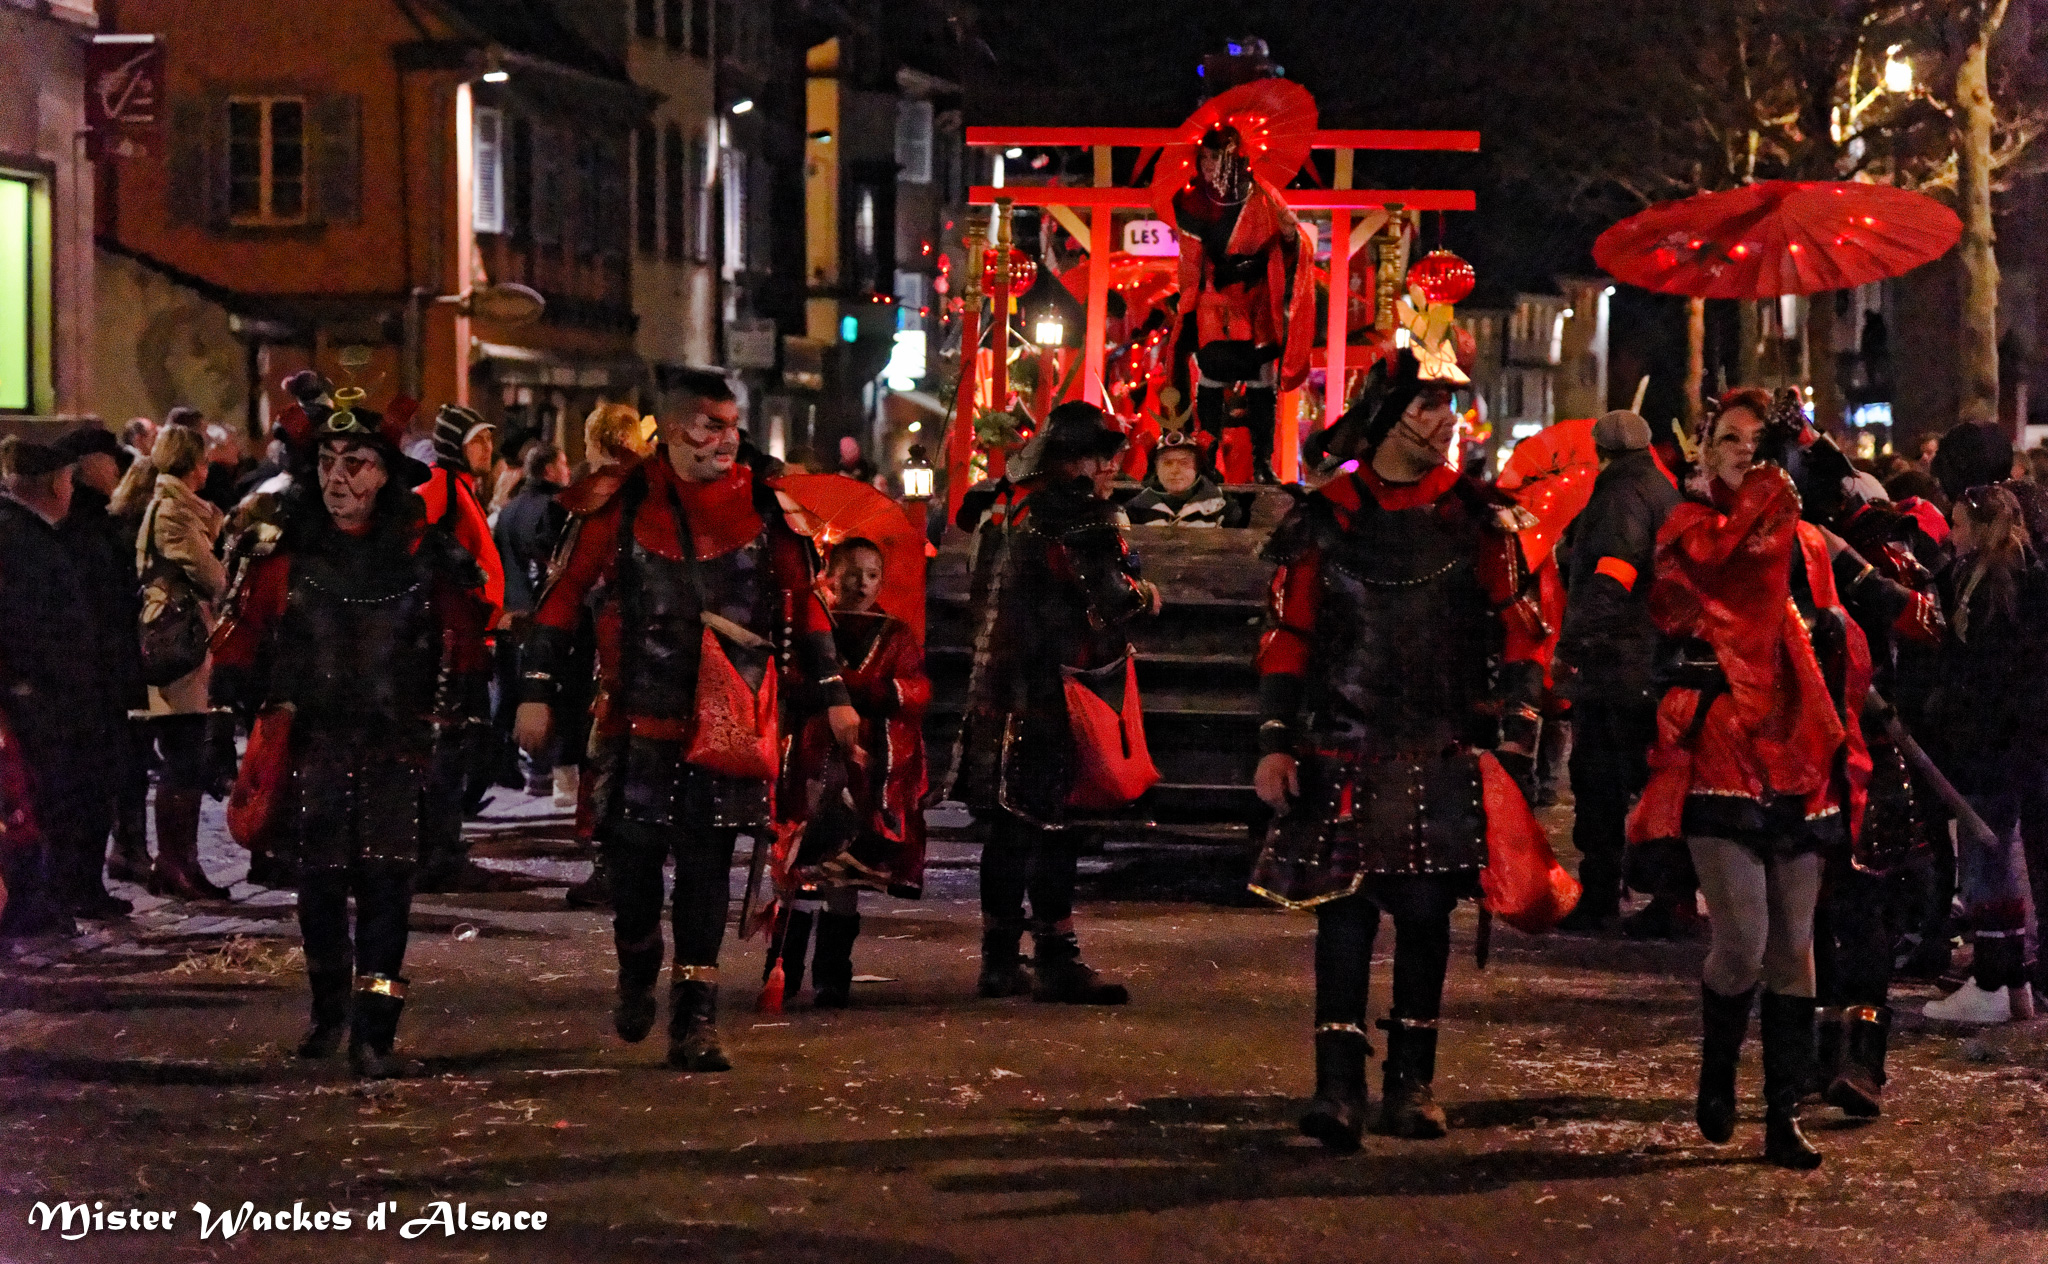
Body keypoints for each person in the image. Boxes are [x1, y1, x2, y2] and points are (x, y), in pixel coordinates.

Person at [515, 368, 861, 1072]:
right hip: (636, 722)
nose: (726, 439)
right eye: (710, 425)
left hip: (727, 725)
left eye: (732, 424)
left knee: (707, 873)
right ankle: (637, 965)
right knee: (633, 872)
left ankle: (695, 1019)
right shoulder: (616, 503)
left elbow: (808, 604)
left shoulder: (769, 507)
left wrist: (835, 694)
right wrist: (536, 691)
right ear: (672, 430)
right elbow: (562, 597)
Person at [1250, 350, 1546, 1150]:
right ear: (1386, 417)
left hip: (1438, 747)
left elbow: (1523, 634)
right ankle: (1337, 1088)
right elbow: (1289, 636)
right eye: (1427, 406)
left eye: (1449, 406)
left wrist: (1517, 736)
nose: (1446, 421)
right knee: (1342, 917)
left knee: (1423, 915)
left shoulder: (1478, 518)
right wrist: (1274, 741)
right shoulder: (1326, 516)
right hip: (1341, 743)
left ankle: (1412, 1084)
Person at [1626, 395, 1874, 1170]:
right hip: (1722, 752)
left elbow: (1852, 604)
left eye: (1756, 441)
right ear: (1705, 452)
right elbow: (1688, 609)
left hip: (1800, 754)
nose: (1742, 451)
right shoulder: (1687, 530)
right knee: (1743, 942)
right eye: (1728, 439)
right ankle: (1717, 1067)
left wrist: (1842, 630)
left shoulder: (1808, 541)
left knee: (1794, 945)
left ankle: (1781, 1115)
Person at [210, 396, 488, 1077]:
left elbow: (466, 647)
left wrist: (468, 732)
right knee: (320, 883)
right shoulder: (281, 557)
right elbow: (239, 642)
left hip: (398, 747)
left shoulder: (427, 558)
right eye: (328, 462)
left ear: (386, 475)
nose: (339, 478)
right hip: (313, 746)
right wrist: (234, 711)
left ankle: (376, 1033)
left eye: (356, 463)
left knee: (389, 885)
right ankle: (329, 1012)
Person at [949, 401, 1161, 1006]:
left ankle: (998, 961)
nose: (1110, 469)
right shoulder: (1078, 514)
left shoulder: (1001, 506)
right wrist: (1147, 594)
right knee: (1057, 825)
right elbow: (1115, 600)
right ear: (1072, 460)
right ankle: (1056, 958)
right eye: (1101, 458)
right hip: (1056, 690)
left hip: (994, 687)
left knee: (1008, 828)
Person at [768, 538, 930, 1007]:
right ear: (829, 575)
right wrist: (830, 692)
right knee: (800, 864)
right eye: (852, 573)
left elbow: (918, 690)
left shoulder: (895, 633)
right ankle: (782, 970)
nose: (862, 583)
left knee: (846, 871)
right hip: (812, 759)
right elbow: (788, 683)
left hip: (865, 767)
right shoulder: (807, 628)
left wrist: (867, 691)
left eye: (872, 574)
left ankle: (832, 975)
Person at [1919, 484, 2048, 1024]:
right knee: (1999, 853)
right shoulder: (2027, 575)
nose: (1951, 536)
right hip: (2016, 744)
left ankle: (1993, 978)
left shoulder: (1985, 584)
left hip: (1988, 743)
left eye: (1956, 525)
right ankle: (2014, 982)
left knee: (1984, 859)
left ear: (1976, 527)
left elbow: (1979, 669)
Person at [1551, 410, 1682, 933]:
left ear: (1600, 451)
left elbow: (1613, 572)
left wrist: (1574, 642)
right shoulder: (1661, 489)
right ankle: (1667, 895)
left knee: (1601, 782)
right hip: (1649, 659)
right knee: (1651, 783)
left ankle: (1605, 894)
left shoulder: (1619, 495)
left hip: (1616, 665)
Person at [0, 441, 123, 937]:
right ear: (56, 484)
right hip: (40, 697)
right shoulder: (26, 540)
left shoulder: (23, 533)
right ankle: (32, 903)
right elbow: (33, 625)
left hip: (37, 692)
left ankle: (40, 898)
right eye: (70, 481)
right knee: (40, 801)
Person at [134, 424, 234, 901]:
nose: (208, 468)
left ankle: (180, 863)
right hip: (178, 645)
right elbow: (214, 577)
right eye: (204, 460)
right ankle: (175, 863)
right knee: (184, 756)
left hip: (184, 641)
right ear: (193, 465)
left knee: (187, 754)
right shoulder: (174, 511)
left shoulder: (178, 507)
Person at [413, 403, 508, 893]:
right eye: (477, 440)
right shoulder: (439, 486)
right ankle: (436, 854)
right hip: (446, 643)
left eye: (489, 438)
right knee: (445, 749)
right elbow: (414, 543)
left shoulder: (462, 489)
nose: (487, 448)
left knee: (458, 746)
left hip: (467, 638)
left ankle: (444, 846)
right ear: (454, 446)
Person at [52, 427, 146, 911]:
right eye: (110, 461)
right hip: (93, 673)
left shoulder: (94, 522)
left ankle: (84, 881)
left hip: (103, 670)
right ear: (88, 465)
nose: (117, 470)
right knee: (88, 782)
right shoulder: (81, 527)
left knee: (103, 778)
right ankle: (77, 884)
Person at [494, 443, 572, 800]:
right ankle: (542, 770)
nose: (567, 471)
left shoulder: (509, 510)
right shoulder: (552, 508)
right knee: (542, 692)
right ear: (550, 470)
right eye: (564, 464)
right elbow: (546, 566)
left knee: (511, 694)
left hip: (510, 613)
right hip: (539, 616)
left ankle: (510, 765)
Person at [1124, 435, 1232, 527]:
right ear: (1156, 468)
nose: (1175, 470)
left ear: (1197, 468)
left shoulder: (1223, 508)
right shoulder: (1134, 510)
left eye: (1184, 463)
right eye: (1168, 463)